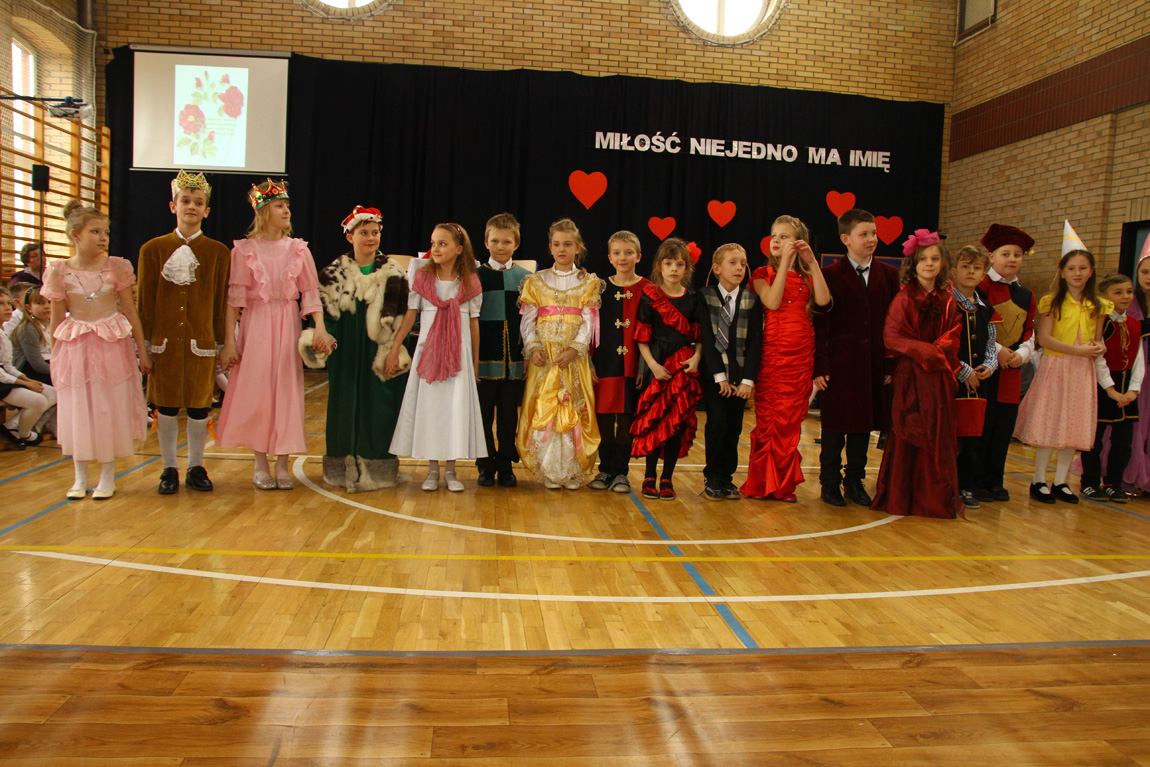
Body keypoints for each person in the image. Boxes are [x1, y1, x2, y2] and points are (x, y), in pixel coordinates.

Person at [216, 180, 334, 490]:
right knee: (258, 393)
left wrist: (320, 327)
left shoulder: (298, 249)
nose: (286, 211)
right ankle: (260, 464)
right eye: (280, 206)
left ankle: (282, 464)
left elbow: (311, 293)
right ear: (263, 211)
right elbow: (233, 302)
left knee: (285, 391)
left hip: (287, 323)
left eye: (287, 206)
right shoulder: (243, 251)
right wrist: (230, 343)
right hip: (256, 325)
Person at [42, 201, 150, 499]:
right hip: (75, 344)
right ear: (75, 235)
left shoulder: (117, 267)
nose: (103, 238)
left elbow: (130, 311)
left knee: (107, 406)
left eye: (106, 232)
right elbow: (55, 318)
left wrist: (142, 351)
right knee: (78, 406)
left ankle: (106, 475)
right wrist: (55, 356)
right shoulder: (58, 270)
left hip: (110, 344)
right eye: (95, 232)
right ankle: (79, 476)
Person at [137, 170, 231, 494]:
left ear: (207, 210)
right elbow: (144, 302)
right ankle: (168, 468)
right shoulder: (152, 250)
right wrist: (144, 346)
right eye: (186, 201)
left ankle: (195, 466)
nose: (192, 206)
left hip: (201, 343)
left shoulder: (218, 253)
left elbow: (220, 302)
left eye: (198, 202)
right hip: (163, 344)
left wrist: (222, 343)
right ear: (173, 206)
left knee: (198, 406)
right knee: (165, 406)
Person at [314, 205, 410, 492]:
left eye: (375, 232)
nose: (371, 238)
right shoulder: (332, 274)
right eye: (364, 233)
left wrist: (393, 352)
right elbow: (324, 318)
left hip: (379, 354)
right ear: (350, 237)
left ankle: (379, 470)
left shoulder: (395, 273)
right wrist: (328, 343)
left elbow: (402, 318)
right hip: (345, 354)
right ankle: (340, 468)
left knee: (380, 409)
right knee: (343, 408)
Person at [387, 223, 486, 492]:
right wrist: (395, 348)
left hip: (458, 357)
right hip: (428, 356)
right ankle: (432, 470)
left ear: (459, 249)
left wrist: (475, 361)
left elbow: (474, 323)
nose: (436, 249)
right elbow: (410, 315)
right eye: (433, 243)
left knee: (454, 410)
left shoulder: (469, 281)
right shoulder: (422, 278)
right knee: (431, 410)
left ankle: (451, 470)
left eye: (443, 244)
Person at [871, 230, 964, 518]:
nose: (929, 264)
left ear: (942, 264)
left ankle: (932, 498)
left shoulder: (948, 300)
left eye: (935, 259)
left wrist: (937, 353)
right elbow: (891, 335)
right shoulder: (903, 297)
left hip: (937, 376)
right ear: (914, 264)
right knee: (909, 427)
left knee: (936, 429)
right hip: (911, 375)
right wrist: (924, 352)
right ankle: (903, 496)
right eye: (923, 259)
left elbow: (953, 334)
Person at [813, 208, 900, 507]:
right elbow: (820, 325)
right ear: (846, 239)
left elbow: (894, 324)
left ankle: (854, 481)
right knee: (834, 428)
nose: (871, 239)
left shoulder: (889, 274)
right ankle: (829, 483)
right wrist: (820, 365)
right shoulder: (829, 275)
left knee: (864, 426)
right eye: (864, 234)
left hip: (873, 364)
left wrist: (890, 363)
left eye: (874, 233)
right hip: (839, 364)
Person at [741, 217, 830, 502]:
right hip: (774, 353)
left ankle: (783, 485)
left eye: (784, 236)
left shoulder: (807, 275)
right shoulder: (761, 273)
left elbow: (823, 301)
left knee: (791, 422)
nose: (777, 241)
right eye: (774, 236)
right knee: (770, 419)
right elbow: (772, 302)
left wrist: (811, 263)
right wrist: (785, 266)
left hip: (801, 353)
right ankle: (762, 483)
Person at [1013, 249, 1109, 504]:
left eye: (1083, 268)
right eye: (1072, 268)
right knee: (1050, 421)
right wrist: (1078, 351)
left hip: (1082, 371)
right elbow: (1044, 339)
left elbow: (1098, 339)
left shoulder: (1098, 305)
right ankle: (1039, 480)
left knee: (1074, 424)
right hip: (1056, 367)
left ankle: (1061, 481)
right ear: (1063, 272)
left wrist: (1098, 347)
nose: (1077, 273)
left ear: (1091, 272)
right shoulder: (1052, 302)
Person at [516, 218, 602, 490]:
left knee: (573, 406)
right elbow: (528, 320)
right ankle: (550, 469)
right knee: (547, 407)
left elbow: (588, 321)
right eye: (556, 244)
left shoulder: (588, 282)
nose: (562, 249)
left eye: (567, 244)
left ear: (578, 248)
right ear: (550, 247)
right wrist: (533, 347)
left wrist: (575, 349)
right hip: (546, 359)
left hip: (573, 359)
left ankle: (572, 470)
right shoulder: (536, 281)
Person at [631, 237, 702, 501]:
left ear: (687, 269)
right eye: (668, 263)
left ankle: (667, 478)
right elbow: (642, 337)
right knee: (655, 421)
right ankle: (649, 476)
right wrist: (653, 365)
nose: (673, 269)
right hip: (658, 365)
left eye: (679, 264)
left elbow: (699, 336)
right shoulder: (649, 296)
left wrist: (696, 359)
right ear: (659, 266)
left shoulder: (693, 299)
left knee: (676, 424)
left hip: (683, 366)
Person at [976, 223, 1038, 502]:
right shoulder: (980, 287)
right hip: (986, 367)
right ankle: (975, 480)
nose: (1012, 259)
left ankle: (995, 480)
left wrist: (1021, 355)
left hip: (1012, 371)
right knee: (982, 427)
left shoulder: (1026, 294)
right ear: (991, 256)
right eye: (1006, 254)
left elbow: (1029, 331)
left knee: (1003, 429)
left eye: (1017, 255)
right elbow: (976, 325)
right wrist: (998, 350)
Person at [589, 230, 650, 494]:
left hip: (633, 365)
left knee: (626, 421)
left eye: (628, 252)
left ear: (638, 256)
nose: (622, 257)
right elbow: (587, 328)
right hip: (604, 363)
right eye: (617, 253)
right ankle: (605, 469)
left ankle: (621, 472)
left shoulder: (648, 289)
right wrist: (589, 363)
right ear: (609, 257)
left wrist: (644, 366)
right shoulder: (598, 288)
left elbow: (651, 330)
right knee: (603, 419)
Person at [475, 213, 532, 488]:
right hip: (484, 357)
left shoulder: (526, 279)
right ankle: (485, 465)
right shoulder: (475, 276)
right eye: (495, 241)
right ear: (486, 242)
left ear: (516, 244)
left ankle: (506, 465)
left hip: (515, 360)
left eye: (506, 241)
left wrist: (528, 355)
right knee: (483, 415)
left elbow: (531, 321)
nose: (500, 246)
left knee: (509, 414)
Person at [1080, 273, 1142, 503]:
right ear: (1104, 297)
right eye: (1118, 292)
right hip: (1103, 386)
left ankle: (1113, 483)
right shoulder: (1101, 323)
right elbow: (1098, 359)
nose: (1125, 296)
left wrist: (1134, 390)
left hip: (1127, 388)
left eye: (1128, 291)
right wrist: (1110, 388)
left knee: (1123, 443)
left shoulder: (1135, 324)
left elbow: (1139, 360)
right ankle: (1089, 482)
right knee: (1094, 441)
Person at [949, 245, 999, 509]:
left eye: (977, 268)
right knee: (951, 437)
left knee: (972, 438)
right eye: (965, 266)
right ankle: (947, 486)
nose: (971, 272)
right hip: (951, 383)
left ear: (984, 274)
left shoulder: (986, 309)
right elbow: (943, 344)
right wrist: (963, 370)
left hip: (979, 386)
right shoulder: (947, 304)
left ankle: (966, 486)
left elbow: (991, 343)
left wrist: (990, 365)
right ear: (954, 271)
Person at [0, 288, 55, 449]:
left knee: (52, 393)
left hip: (8, 376)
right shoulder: (28, 329)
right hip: (3, 381)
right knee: (38, 400)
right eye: (1, 304)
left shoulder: (2, 332)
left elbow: (8, 366)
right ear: (28, 308)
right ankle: (24, 434)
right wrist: (24, 383)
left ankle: (14, 428)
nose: (7, 308)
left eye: (8, 303)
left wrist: (25, 380)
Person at [11, 285, 52, 385]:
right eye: (39, 303)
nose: (47, 306)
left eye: (49, 302)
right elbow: (37, 364)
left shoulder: (51, 324)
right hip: (31, 372)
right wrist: (60, 371)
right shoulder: (28, 329)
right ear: (28, 308)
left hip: (50, 365)